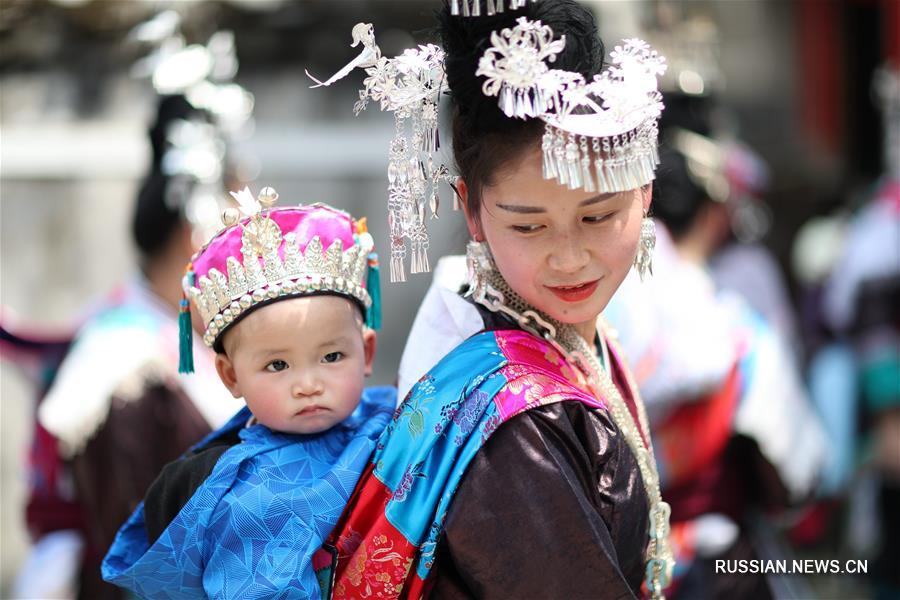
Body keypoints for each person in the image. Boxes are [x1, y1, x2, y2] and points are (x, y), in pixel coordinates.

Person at [312, 2, 675, 597]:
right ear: (471, 212)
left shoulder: (560, 336)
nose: (569, 258)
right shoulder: (515, 420)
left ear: (644, 191)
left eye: (599, 215)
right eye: (528, 227)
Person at [102, 189, 396, 599]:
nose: (308, 383)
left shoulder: (398, 429)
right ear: (230, 376)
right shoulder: (227, 493)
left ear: (366, 351)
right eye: (277, 365)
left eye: (331, 356)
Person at [7, 93, 244, 600]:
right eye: (239, 233)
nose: (252, 254)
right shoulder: (123, 368)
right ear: (194, 237)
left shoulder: (186, 344)